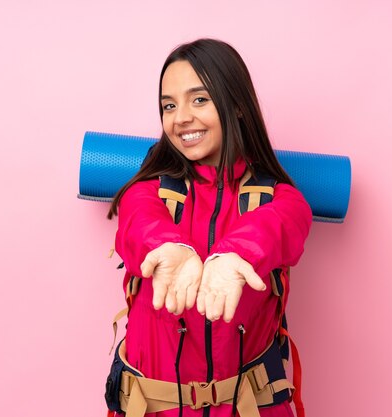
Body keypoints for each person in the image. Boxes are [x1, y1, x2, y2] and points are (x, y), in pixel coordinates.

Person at [106, 38, 313, 417]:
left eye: (199, 99)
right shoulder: (145, 193)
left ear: (236, 104)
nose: (180, 117)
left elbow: (281, 224)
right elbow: (139, 223)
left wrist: (235, 254)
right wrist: (168, 247)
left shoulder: (281, 201)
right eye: (169, 105)